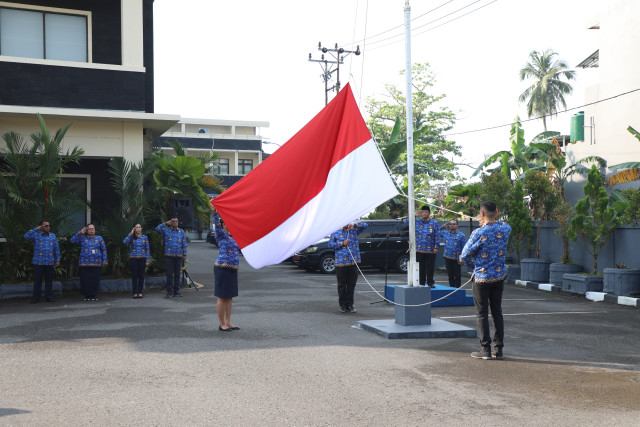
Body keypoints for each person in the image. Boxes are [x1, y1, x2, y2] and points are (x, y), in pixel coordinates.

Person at [460, 201, 511, 360]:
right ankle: (499, 350)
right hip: (499, 277)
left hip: (482, 278)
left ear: (481, 214)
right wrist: (490, 221)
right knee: (497, 312)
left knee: (482, 314)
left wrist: (474, 267)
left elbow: (464, 256)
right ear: (497, 211)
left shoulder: (478, 233)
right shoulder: (505, 228)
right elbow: (502, 223)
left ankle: (485, 350)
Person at [328, 222, 369, 313]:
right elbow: (330, 245)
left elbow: (365, 225)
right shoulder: (335, 232)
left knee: (351, 285)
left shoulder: (354, 230)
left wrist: (354, 225)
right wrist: (342, 243)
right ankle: (342, 305)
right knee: (342, 285)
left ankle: (350, 305)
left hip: (353, 262)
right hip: (341, 263)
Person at [212, 209, 240, 332]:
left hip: (233, 269)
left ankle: (228, 322)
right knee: (222, 297)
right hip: (222, 268)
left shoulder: (234, 237)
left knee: (229, 297)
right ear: (223, 225)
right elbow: (217, 226)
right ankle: (221, 323)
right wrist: (214, 213)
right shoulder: (221, 234)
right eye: (228, 223)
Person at [24, 220, 61, 304]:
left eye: (49, 225)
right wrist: (36, 229)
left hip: (49, 262)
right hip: (38, 262)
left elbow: (56, 248)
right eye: (46, 226)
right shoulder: (36, 235)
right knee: (37, 281)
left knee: (49, 280)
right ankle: (36, 298)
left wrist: (58, 259)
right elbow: (26, 236)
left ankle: (49, 296)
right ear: (41, 227)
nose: (48, 227)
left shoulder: (53, 236)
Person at [403, 205, 440, 287]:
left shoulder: (434, 223)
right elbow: (406, 221)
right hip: (419, 249)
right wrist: (414, 215)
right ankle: (421, 282)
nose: (424, 213)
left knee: (430, 267)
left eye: (426, 212)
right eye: (422, 212)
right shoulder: (417, 221)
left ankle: (430, 282)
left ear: (429, 213)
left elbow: (437, 235)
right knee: (421, 267)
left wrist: (436, 247)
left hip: (431, 249)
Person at [70, 224, 108, 301]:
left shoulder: (99, 238)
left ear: (95, 230)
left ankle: (93, 295)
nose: (91, 230)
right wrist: (80, 233)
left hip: (97, 263)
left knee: (95, 280)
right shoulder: (82, 238)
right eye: (89, 229)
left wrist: (104, 260)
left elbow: (104, 250)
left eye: (92, 228)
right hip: (84, 263)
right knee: (85, 280)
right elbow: (72, 241)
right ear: (86, 230)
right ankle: (87, 295)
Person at [155, 216, 187, 298]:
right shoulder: (166, 230)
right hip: (169, 256)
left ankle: (177, 291)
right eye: (173, 221)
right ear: (171, 222)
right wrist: (165, 223)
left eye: (176, 221)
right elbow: (157, 229)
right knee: (169, 274)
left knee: (177, 274)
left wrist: (185, 253)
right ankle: (169, 291)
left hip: (178, 256)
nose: (175, 223)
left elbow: (184, 243)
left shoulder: (181, 231)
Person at [123, 223, 150, 299]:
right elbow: (125, 242)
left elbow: (147, 249)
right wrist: (131, 233)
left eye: (139, 227)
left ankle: (140, 292)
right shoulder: (131, 237)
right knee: (134, 275)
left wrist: (147, 260)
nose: (138, 229)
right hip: (133, 258)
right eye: (136, 227)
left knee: (141, 275)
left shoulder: (145, 237)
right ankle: (135, 292)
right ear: (134, 229)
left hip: (142, 258)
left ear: (141, 228)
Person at [440, 219, 466, 288]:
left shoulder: (461, 235)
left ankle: (458, 289)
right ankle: (451, 288)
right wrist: (443, 226)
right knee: (450, 275)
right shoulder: (446, 233)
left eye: (454, 224)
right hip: (447, 257)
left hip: (457, 258)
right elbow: (435, 232)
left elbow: (464, 248)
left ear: (457, 225)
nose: (452, 225)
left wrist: (462, 259)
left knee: (457, 275)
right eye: (450, 224)